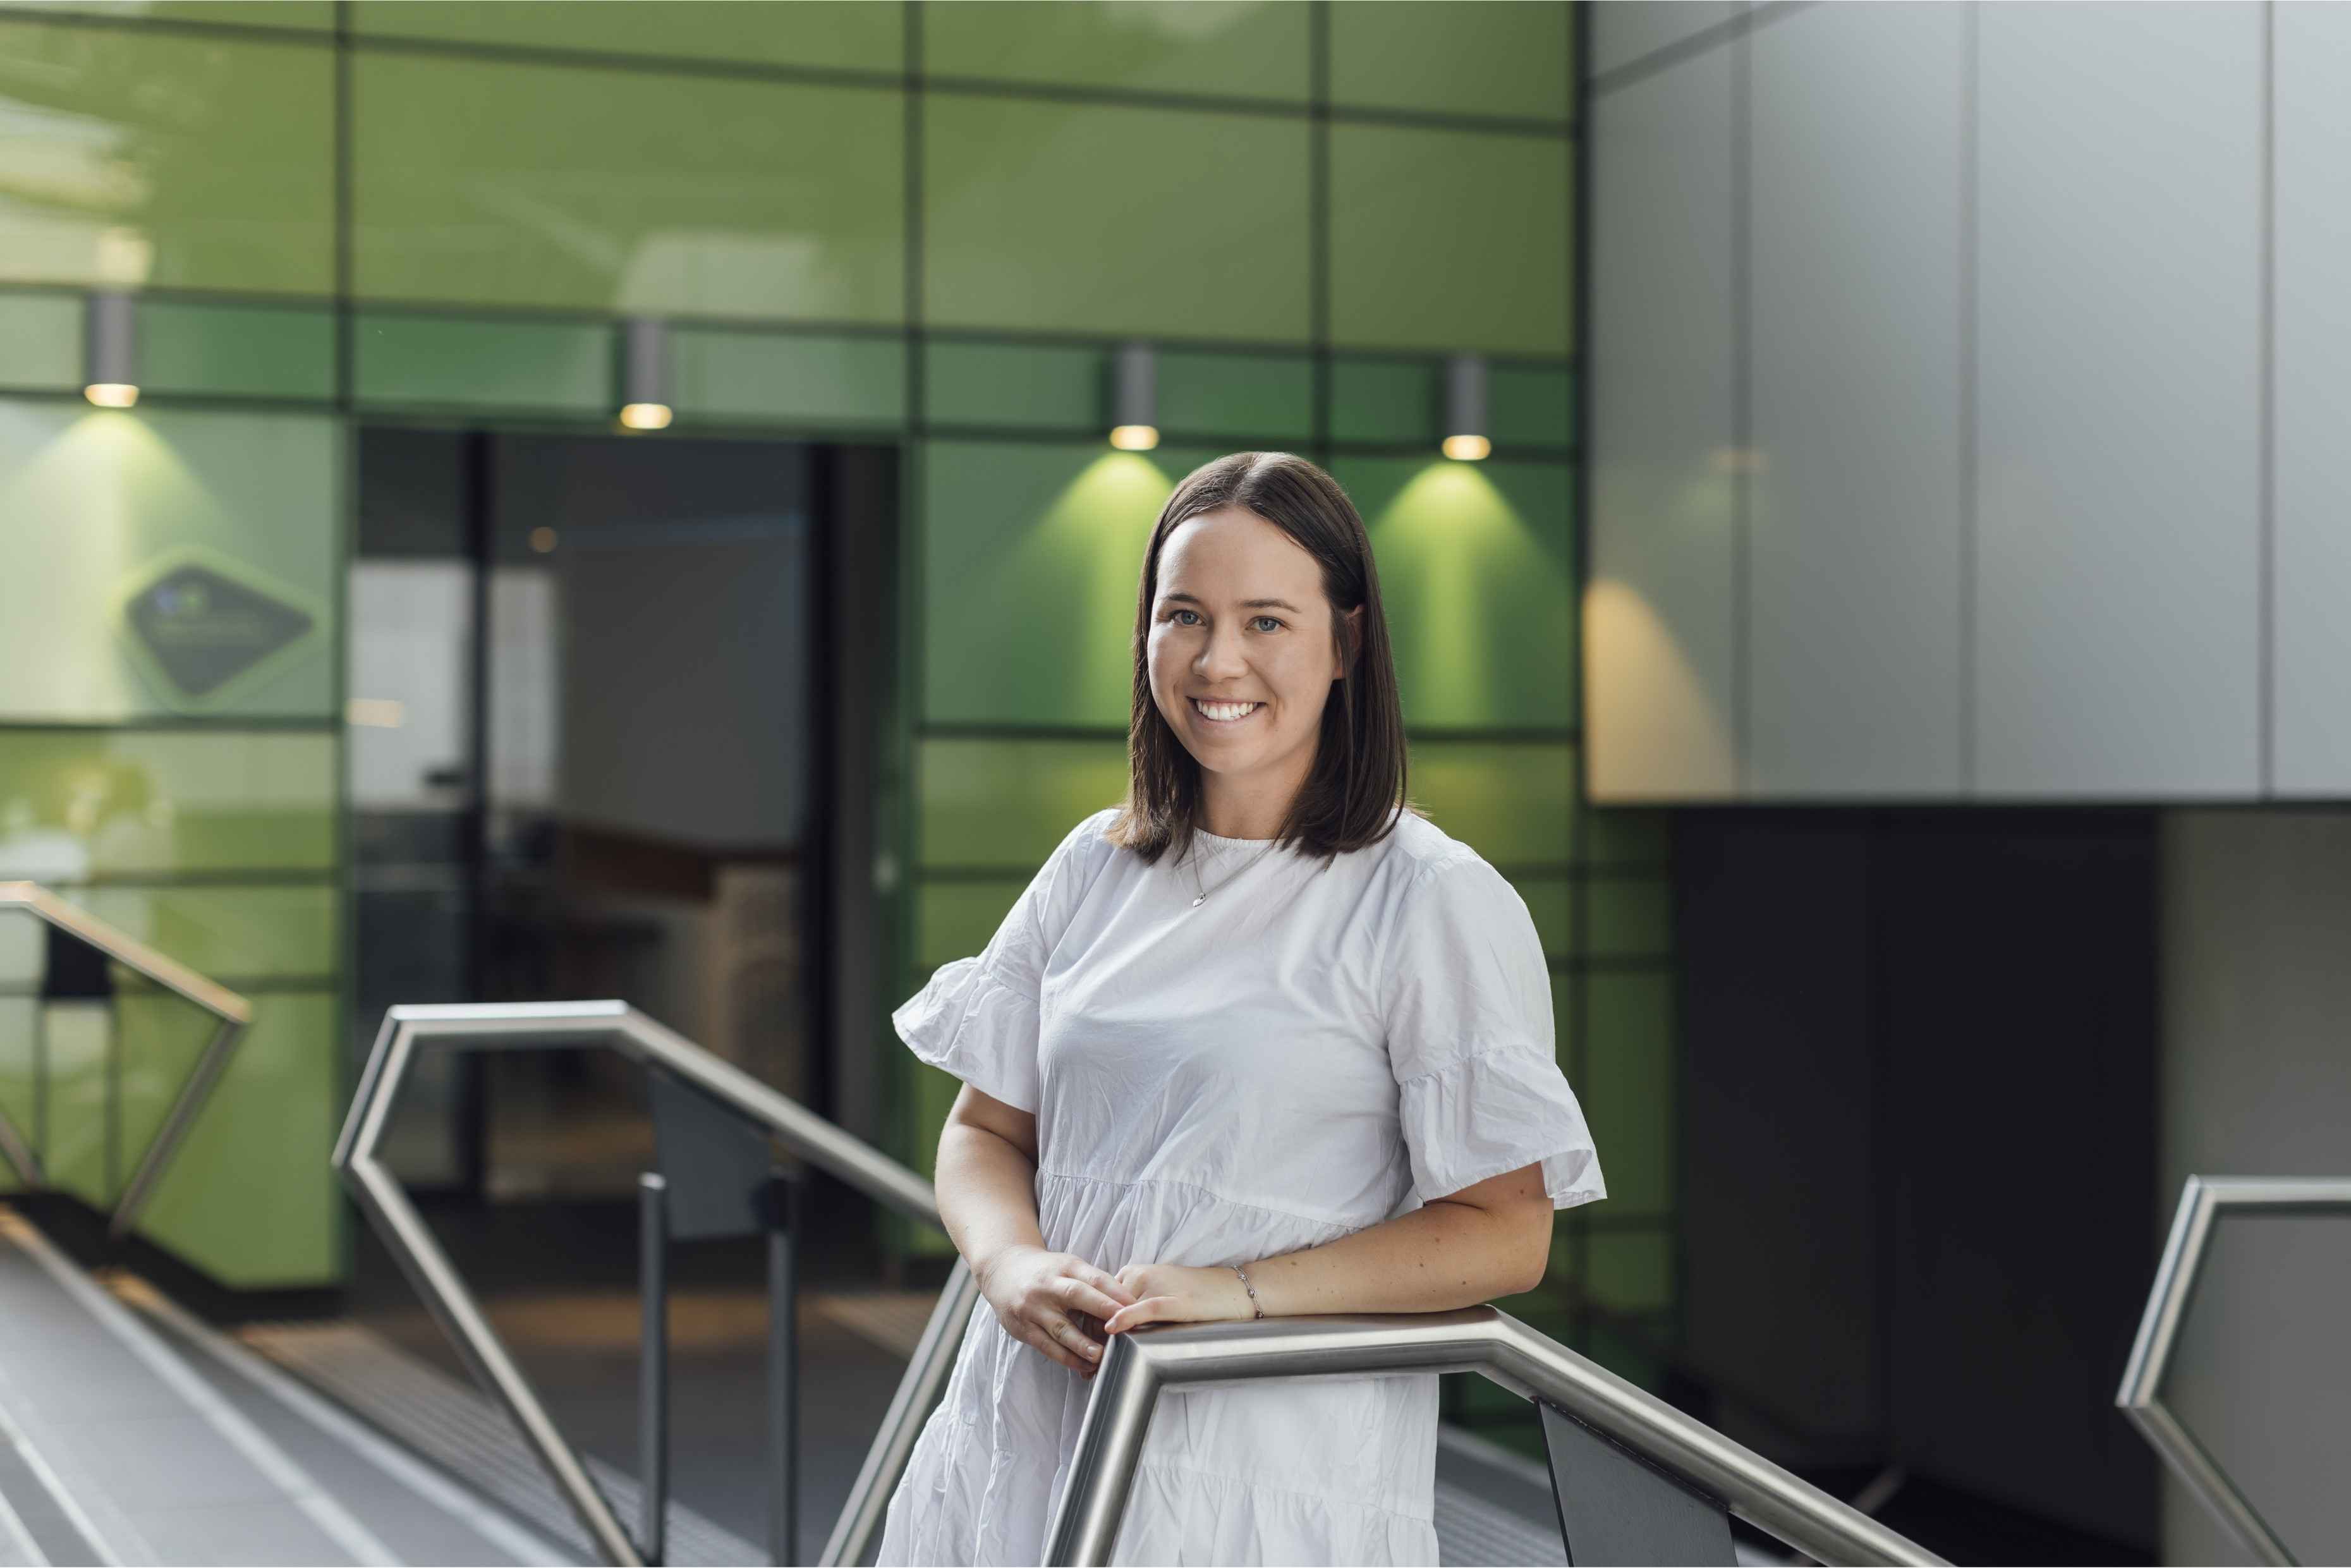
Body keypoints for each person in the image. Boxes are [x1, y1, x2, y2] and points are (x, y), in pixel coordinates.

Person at [875, 451, 1605, 1566]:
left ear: (1347, 643)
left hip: (1261, 1467)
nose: (1218, 660)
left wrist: (1238, 1293)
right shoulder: (1098, 862)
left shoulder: (1430, 899)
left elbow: (1507, 1229)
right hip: (1025, 1431)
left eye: (1267, 620)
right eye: (1185, 616)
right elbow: (985, 1129)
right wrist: (1009, 1264)